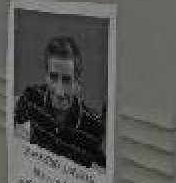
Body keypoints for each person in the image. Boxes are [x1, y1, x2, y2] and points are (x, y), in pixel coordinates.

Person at [13, 36, 106, 169]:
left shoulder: (94, 127)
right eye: (53, 77)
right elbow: (8, 123)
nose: (59, 92)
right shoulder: (31, 97)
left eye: (67, 80)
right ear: (46, 77)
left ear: (77, 84)